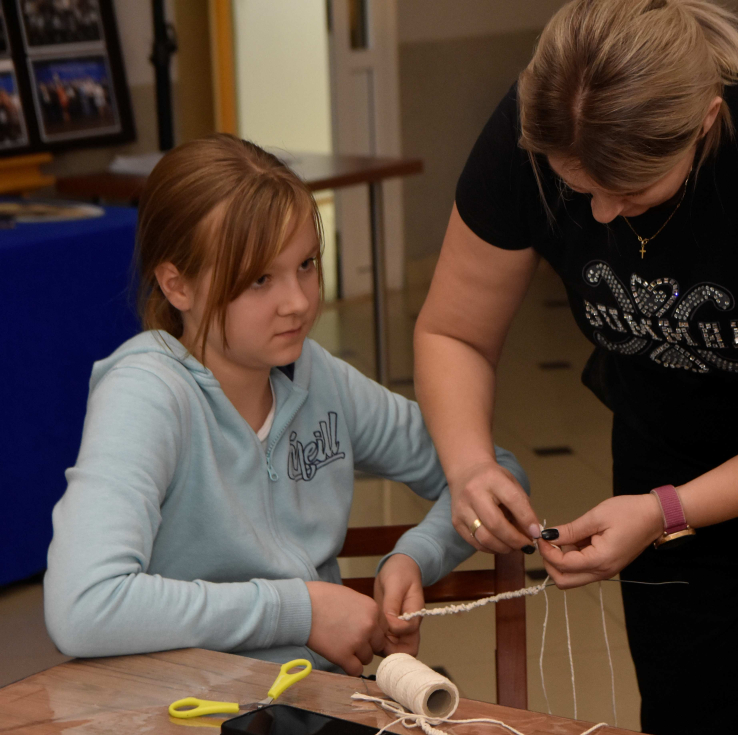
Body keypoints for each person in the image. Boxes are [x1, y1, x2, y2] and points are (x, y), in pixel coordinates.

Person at [411, 0, 738, 735]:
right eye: (580, 190)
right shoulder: (536, 129)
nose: (603, 215)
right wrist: (469, 465)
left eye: (631, 193)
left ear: (705, 123)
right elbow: (454, 332)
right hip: (661, 454)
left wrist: (667, 511)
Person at [43, 134, 526, 676]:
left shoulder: (320, 378)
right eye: (259, 280)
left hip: (316, 699)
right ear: (177, 285)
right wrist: (301, 610)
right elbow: (83, 606)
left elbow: (496, 474)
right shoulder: (146, 395)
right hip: (186, 709)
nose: (297, 302)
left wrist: (416, 555)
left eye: (306, 264)